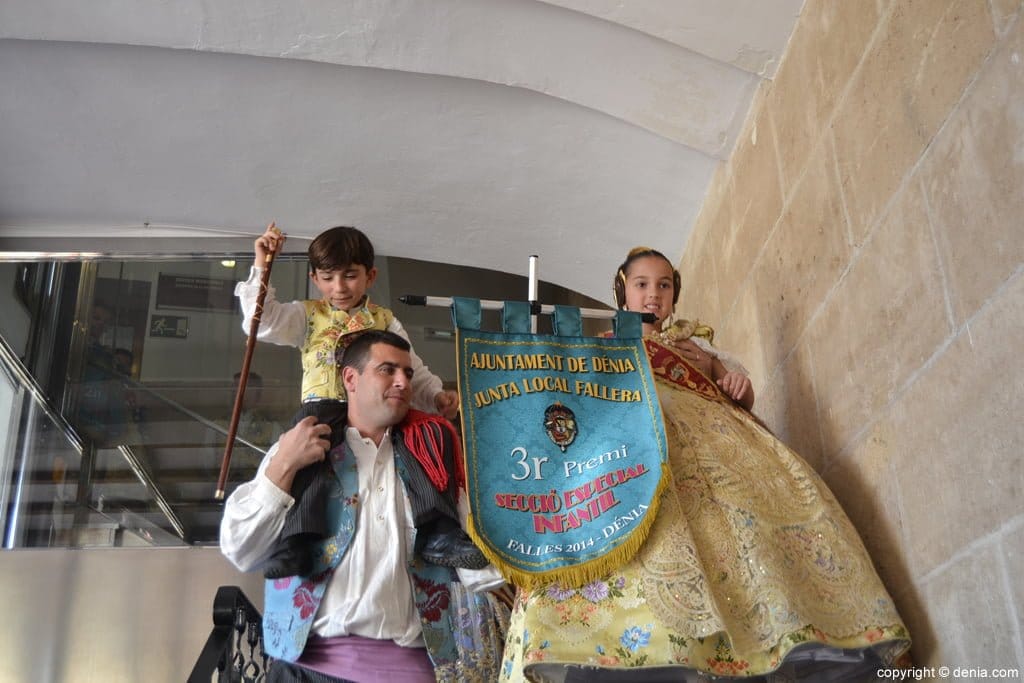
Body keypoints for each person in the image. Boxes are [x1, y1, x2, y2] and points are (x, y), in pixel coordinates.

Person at [498, 247, 911, 682]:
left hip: (717, 444)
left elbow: (738, 394)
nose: (653, 294)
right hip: (643, 445)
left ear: (674, 295)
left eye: (664, 285)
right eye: (642, 284)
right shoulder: (602, 346)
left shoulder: (694, 346)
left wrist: (731, 381)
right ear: (623, 292)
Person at [220, 331, 507, 682]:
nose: (403, 382)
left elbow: (484, 570)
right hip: (304, 671)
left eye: (408, 373)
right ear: (350, 379)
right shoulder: (301, 443)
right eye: (387, 370)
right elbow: (241, 550)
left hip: (412, 672)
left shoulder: (432, 455)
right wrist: (284, 465)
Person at [235, 223, 481, 577]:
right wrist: (262, 264)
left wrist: (436, 395)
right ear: (315, 278)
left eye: (350, 276)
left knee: (430, 434)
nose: (339, 287)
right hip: (323, 407)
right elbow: (261, 322)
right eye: (328, 278)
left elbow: (411, 366)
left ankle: (438, 531)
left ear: (370, 276)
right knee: (308, 455)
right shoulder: (307, 315)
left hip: (379, 410)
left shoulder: (385, 320)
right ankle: (296, 540)